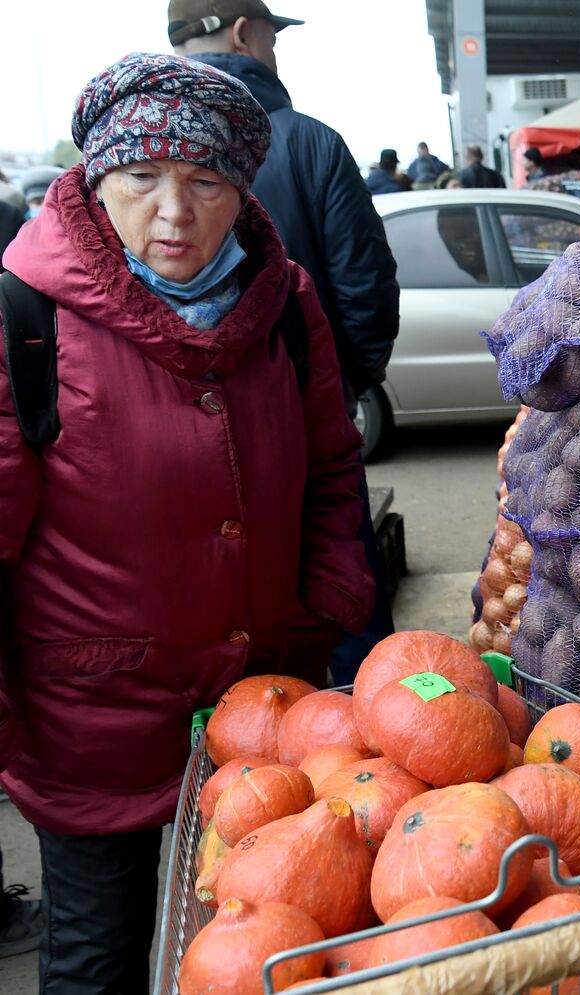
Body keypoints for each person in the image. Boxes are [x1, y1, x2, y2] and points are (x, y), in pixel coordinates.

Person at [0, 53, 373, 992]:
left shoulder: (282, 302)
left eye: (205, 182)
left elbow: (332, 469)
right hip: (93, 722)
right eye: (141, 180)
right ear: (94, 179)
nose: (175, 214)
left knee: (264, 951)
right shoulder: (25, 314)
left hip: (263, 708)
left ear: (240, 190)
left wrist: (327, 604)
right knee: (99, 960)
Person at [171, 0, 400, 682]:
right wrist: (338, 388)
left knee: (226, 649)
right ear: (244, 32)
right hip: (308, 424)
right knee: (347, 621)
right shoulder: (309, 142)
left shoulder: (140, 161)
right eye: (274, 34)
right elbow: (366, 289)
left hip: (178, 447)